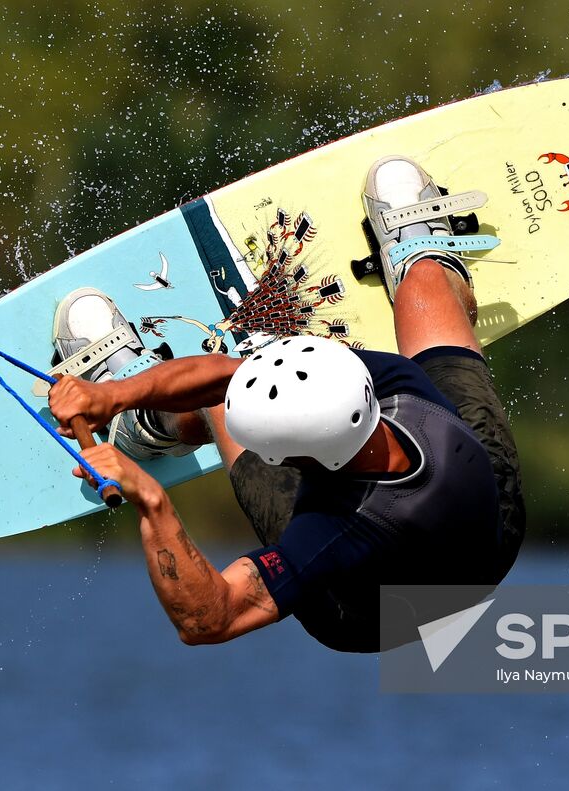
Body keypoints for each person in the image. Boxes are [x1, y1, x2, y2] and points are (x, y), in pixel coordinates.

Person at [47, 156, 524, 651]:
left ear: (299, 465)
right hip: (490, 522)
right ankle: (429, 261)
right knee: (424, 288)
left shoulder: (324, 536)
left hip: (367, 613)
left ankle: (145, 428)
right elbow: (226, 374)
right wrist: (109, 393)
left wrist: (151, 500)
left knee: (218, 411)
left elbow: (210, 620)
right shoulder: (399, 385)